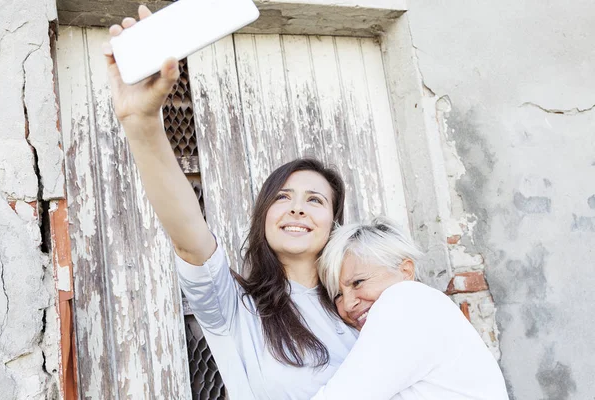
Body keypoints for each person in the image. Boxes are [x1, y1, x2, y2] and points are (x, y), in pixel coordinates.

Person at [102, 6, 357, 400]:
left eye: (315, 200)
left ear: (335, 224)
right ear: (264, 217)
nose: (297, 208)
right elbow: (189, 238)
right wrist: (142, 122)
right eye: (283, 197)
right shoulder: (234, 308)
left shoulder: (362, 307)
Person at [312, 216, 510, 400]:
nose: (347, 304)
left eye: (358, 282)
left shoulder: (405, 302)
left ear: (405, 271)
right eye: (337, 294)